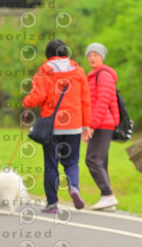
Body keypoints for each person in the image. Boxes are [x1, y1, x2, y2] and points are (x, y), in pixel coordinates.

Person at [23, 39, 91, 213]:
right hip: (74, 125)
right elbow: (85, 100)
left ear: (48, 54)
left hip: (52, 125)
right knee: (72, 162)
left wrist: (27, 101)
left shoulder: (44, 70)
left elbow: (38, 96)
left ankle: (52, 203)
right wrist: (86, 125)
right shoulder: (79, 71)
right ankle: (74, 187)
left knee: (51, 164)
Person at [84, 42, 120, 211]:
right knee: (101, 161)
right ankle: (107, 199)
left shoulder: (103, 74)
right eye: (89, 55)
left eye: (95, 55)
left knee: (92, 159)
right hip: (101, 122)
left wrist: (92, 125)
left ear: (102, 57)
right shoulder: (94, 75)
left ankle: (108, 195)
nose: (92, 58)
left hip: (102, 123)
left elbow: (102, 102)